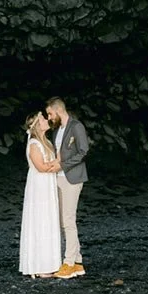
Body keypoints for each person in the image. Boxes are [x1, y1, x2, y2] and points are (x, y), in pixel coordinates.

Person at [45, 96, 89, 279]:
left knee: (68, 221)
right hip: (59, 179)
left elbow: (84, 151)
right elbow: (59, 154)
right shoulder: (57, 130)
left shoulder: (76, 126)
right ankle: (77, 262)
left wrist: (63, 166)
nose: (49, 118)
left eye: (50, 114)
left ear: (58, 110)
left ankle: (69, 263)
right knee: (63, 222)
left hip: (72, 179)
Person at [18, 111, 62, 278]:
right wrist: (59, 163)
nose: (46, 120)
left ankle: (49, 263)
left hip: (47, 185)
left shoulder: (46, 142)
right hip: (39, 187)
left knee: (48, 220)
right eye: (43, 119)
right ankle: (39, 265)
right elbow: (41, 167)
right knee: (40, 221)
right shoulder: (34, 144)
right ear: (36, 125)